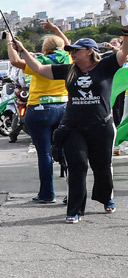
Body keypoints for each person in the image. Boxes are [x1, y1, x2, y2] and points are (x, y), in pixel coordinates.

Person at [9, 32, 128, 222]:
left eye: (75, 51)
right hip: (73, 128)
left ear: (90, 51)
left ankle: (106, 198)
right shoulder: (68, 70)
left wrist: (125, 27)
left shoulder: (106, 66)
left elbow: (124, 51)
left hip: (101, 126)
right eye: (70, 51)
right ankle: (74, 210)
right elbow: (38, 68)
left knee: (102, 167)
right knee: (77, 166)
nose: (71, 53)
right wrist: (21, 49)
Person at [19, 24, 70, 203]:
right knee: (68, 151)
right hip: (64, 108)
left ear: (45, 49)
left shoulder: (39, 62)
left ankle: (47, 194)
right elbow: (67, 44)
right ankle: (72, 192)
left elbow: (15, 62)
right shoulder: (69, 59)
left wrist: (11, 44)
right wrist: (56, 29)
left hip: (39, 108)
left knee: (45, 154)